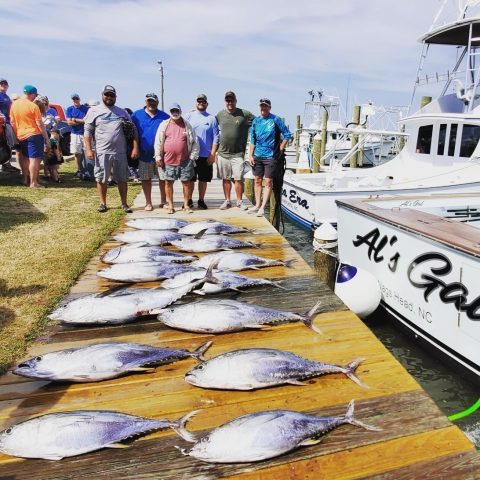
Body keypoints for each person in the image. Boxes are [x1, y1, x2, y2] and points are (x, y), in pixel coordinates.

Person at [83, 85, 139, 213]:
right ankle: (103, 203)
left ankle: (124, 203)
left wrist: (135, 147)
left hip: (120, 152)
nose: (109, 97)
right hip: (102, 151)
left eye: (111, 95)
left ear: (115, 97)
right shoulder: (93, 111)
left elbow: (133, 130)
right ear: (102, 95)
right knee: (101, 178)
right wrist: (88, 149)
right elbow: (87, 132)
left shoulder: (122, 112)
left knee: (123, 179)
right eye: (106, 95)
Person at [248, 98, 292, 216]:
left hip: (270, 156)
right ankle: (257, 204)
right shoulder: (256, 121)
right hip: (257, 155)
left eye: (266, 106)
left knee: (268, 181)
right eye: (262, 106)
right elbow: (252, 139)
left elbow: (288, 134)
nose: (263, 108)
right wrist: (250, 155)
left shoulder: (275, 119)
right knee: (257, 180)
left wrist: (281, 148)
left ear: (269, 107)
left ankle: (263, 207)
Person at [154, 103, 199, 214]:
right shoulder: (164, 124)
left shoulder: (187, 125)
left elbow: (195, 142)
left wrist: (192, 157)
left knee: (186, 183)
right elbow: (158, 142)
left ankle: (186, 205)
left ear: (180, 111)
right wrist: (158, 156)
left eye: (177, 110)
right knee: (168, 183)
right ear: (170, 112)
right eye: (173, 110)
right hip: (168, 161)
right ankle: (170, 205)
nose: (175, 112)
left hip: (185, 161)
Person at [216, 90, 254, 210]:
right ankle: (227, 200)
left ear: (236, 101)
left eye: (232, 100)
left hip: (237, 153)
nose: (230, 102)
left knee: (238, 178)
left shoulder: (245, 114)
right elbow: (211, 125)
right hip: (223, 153)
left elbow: (258, 122)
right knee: (226, 178)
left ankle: (239, 201)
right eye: (227, 100)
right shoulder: (220, 114)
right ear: (225, 101)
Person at [132, 93, 169, 211]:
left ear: (157, 102)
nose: (151, 103)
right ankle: (148, 202)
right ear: (145, 101)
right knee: (145, 178)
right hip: (144, 154)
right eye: (149, 101)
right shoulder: (136, 115)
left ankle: (163, 201)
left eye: (153, 101)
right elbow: (132, 133)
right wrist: (135, 148)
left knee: (163, 178)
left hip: (161, 155)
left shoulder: (165, 116)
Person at [10, 84, 51, 187]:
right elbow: (40, 124)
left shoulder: (14, 104)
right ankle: (34, 183)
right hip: (34, 134)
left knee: (26, 158)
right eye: (35, 95)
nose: (35, 97)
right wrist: (46, 138)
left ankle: (26, 179)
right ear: (32, 94)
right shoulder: (33, 106)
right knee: (34, 159)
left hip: (21, 135)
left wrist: (17, 134)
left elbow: (12, 122)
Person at [184, 93, 219, 210]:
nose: (201, 103)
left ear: (207, 103)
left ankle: (201, 200)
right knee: (190, 179)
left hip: (206, 154)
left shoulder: (212, 118)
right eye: (199, 101)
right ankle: (188, 200)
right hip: (191, 154)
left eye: (203, 101)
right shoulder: (188, 116)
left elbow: (216, 137)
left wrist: (213, 154)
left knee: (203, 179)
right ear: (196, 103)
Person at [66, 93, 89, 177]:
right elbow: (69, 122)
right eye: (74, 99)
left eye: (77, 99)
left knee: (87, 151)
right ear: (72, 100)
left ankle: (88, 169)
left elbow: (87, 121)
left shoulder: (85, 109)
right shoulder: (69, 109)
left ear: (79, 99)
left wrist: (75, 120)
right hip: (75, 134)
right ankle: (79, 169)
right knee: (77, 153)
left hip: (85, 133)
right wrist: (80, 121)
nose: (75, 100)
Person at [0, 78, 20, 172]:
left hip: (8, 123)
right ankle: (6, 164)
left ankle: (7, 164)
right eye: (1, 84)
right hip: (2, 124)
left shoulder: (6, 96)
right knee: (5, 144)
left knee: (9, 144)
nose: (3, 85)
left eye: (5, 84)